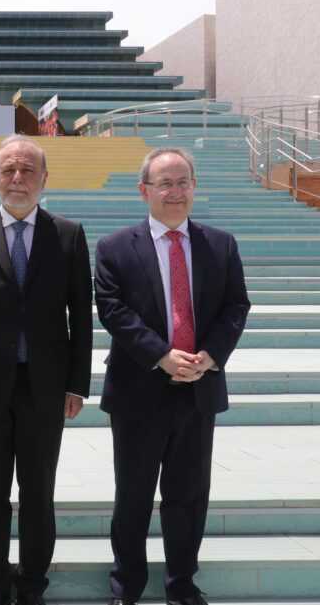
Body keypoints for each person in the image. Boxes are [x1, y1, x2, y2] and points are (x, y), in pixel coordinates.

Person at [94, 147, 250, 605]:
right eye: (165, 183)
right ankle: (126, 586)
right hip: (138, 390)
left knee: (188, 495)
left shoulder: (220, 245)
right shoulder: (115, 247)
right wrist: (161, 355)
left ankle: (181, 585)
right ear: (144, 190)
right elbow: (113, 311)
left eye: (184, 182)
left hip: (199, 389)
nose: (175, 191)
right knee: (133, 495)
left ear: (194, 188)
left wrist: (210, 356)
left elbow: (236, 306)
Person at [0, 135, 93, 605]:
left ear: (44, 178)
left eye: (27, 170)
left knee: (38, 493)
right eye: (8, 169)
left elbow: (81, 316)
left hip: (45, 387)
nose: (17, 178)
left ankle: (31, 586)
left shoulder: (68, 235)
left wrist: (77, 384)